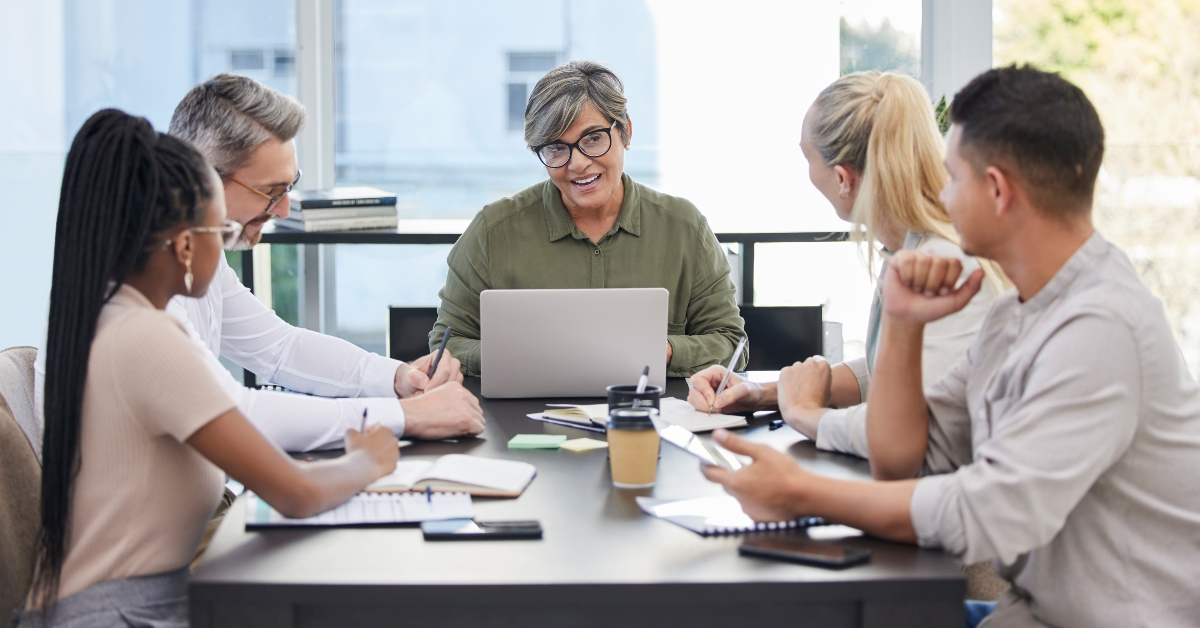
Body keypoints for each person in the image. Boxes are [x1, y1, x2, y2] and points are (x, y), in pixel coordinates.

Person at [699, 66, 1200, 627]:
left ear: (997, 191)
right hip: (1035, 610)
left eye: (951, 176)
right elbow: (912, 451)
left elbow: (982, 512)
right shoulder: (1022, 313)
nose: (939, 192)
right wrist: (904, 327)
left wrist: (803, 491)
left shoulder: (1101, 328)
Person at [18, 109, 398, 626]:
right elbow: (296, 493)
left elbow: (279, 346)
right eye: (220, 228)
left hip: (129, 598)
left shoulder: (108, 313)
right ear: (184, 244)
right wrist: (370, 458)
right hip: (126, 612)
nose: (228, 244)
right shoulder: (146, 336)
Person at [32, 73, 484, 454]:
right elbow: (239, 412)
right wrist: (403, 416)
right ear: (202, 177)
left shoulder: (185, 267)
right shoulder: (141, 304)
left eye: (291, 186)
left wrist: (399, 378)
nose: (285, 211)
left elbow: (280, 348)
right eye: (272, 192)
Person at [689, 71, 1005, 474]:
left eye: (807, 158)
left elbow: (913, 432)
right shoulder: (911, 249)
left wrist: (804, 412)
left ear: (842, 178)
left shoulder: (946, 266)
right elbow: (891, 377)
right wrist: (764, 393)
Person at [430, 60, 746, 377]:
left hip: (651, 418)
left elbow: (732, 345)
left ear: (626, 132)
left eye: (593, 138)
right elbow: (448, 345)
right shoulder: (492, 231)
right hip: (522, 418)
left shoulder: (684, 227)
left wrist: (662, 351)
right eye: (556, 147)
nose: (578, 164)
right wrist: (519, 355)